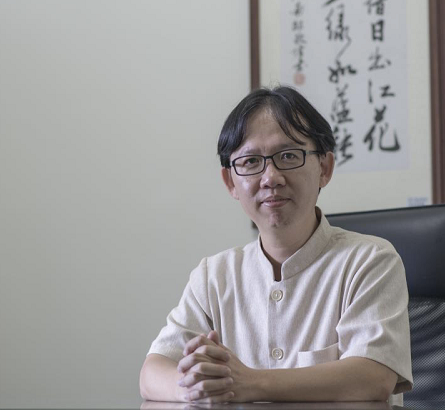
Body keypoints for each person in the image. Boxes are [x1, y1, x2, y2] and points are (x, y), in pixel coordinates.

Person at [139, 86, 413, 405]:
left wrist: (250, 382)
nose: (271, 178)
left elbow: (373, 377)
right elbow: (152, 371)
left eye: (288, 156)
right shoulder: (214, 276)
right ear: (230, 182)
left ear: (324, 168)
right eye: (251, 161)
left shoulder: (370, 261)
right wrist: (193, 388)